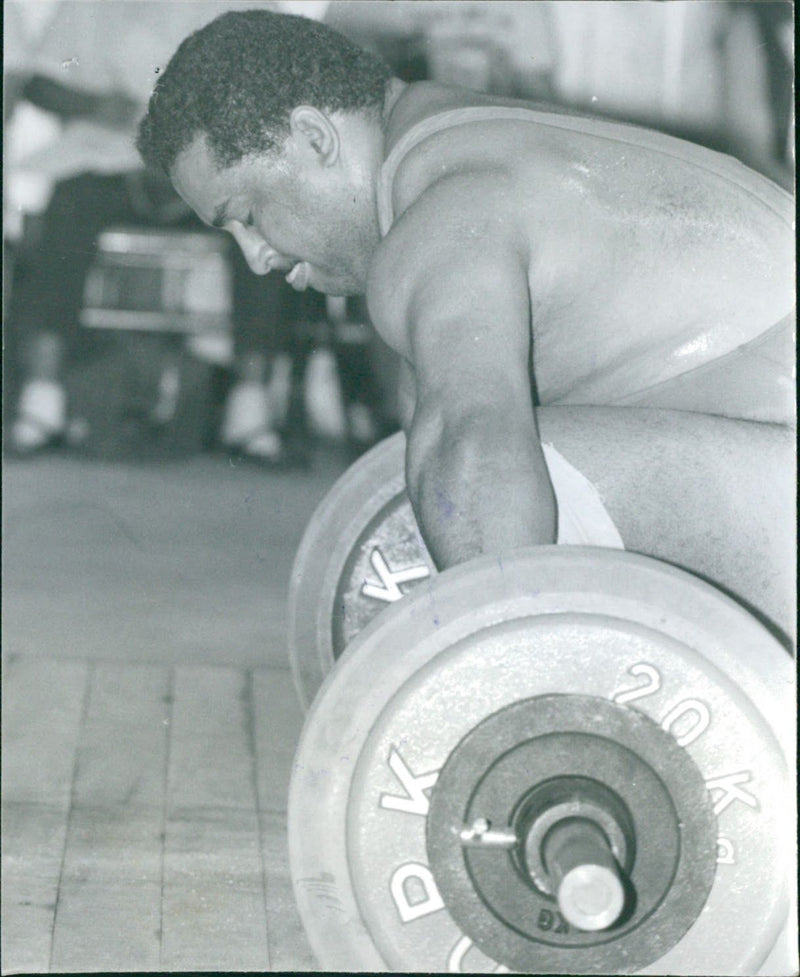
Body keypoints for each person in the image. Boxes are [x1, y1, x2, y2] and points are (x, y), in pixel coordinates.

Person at [136, 10, 795, 641]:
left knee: (501, 479)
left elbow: (471, 442)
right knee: (448, 485)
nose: (255, 259)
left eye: (247, 214)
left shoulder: (436, 218)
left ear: (314, 138)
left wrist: (496, 682)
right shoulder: (456, 134)